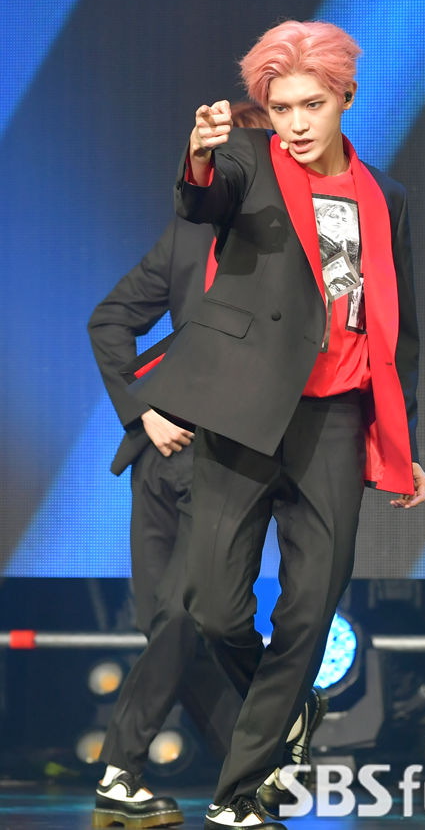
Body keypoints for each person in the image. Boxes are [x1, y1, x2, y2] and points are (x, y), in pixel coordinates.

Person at [130, 19, 425, 830]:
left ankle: (240, 792)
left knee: (310, 609)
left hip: (335, 421)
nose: (295, 123)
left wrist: (401, 439)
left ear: (346, 99)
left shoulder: (387, 197)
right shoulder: (250, 163)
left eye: (311, 105)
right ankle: (288, 708)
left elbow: (398, 328)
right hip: (242, 414)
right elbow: (203, 197)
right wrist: (200, 155)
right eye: (282, 106)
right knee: (212, 607)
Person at [89, 105, 285, 830]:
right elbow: (110, 319)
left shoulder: (284, 245)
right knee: (162, 623)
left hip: (223, 460)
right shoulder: (188, 234)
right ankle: (255, 766)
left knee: (183, 612)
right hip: (156, 455)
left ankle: (119, 770)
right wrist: (143, 409)